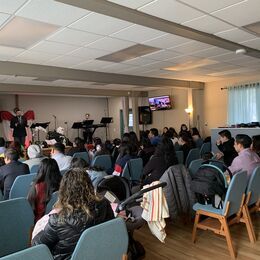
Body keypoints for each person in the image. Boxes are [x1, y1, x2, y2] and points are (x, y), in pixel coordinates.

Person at [32, 168, 114, 260]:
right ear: (89, 186)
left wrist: (39, 231)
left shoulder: (57, 220)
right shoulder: (104, 204)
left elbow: (37, 246)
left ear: (64, 190)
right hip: (99, 255)